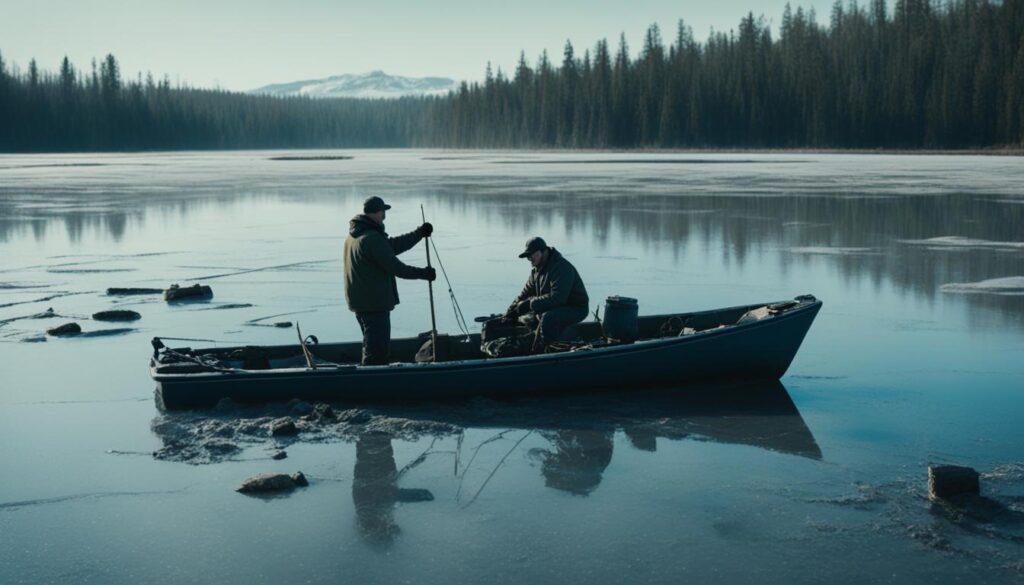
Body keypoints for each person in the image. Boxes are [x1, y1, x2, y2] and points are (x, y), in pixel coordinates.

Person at [344, 196, 435, 365]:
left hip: (363, 302)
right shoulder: (371, 238)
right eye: (383, 212)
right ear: (377, 213)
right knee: (376, 353)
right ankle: (373, 385)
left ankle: (372, 379)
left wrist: (419, 233)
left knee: (371, 345)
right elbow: (396, 268)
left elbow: (391, 247)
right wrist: (424, 273)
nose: (384, 216)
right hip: (373, 304)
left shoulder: (358, 234)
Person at [505, 236, 589, 346]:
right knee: (527, 318)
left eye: (531, 255)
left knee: (548, 318)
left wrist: (530, 304)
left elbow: (558, 298)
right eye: (527, 256)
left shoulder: (561, 267)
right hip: (556, 307)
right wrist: (510, 312)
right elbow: (524, 294)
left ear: (543, 251)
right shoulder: (536, 271)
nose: (529, 258)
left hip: (576, 308)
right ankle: (536, 342)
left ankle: (546, 349)